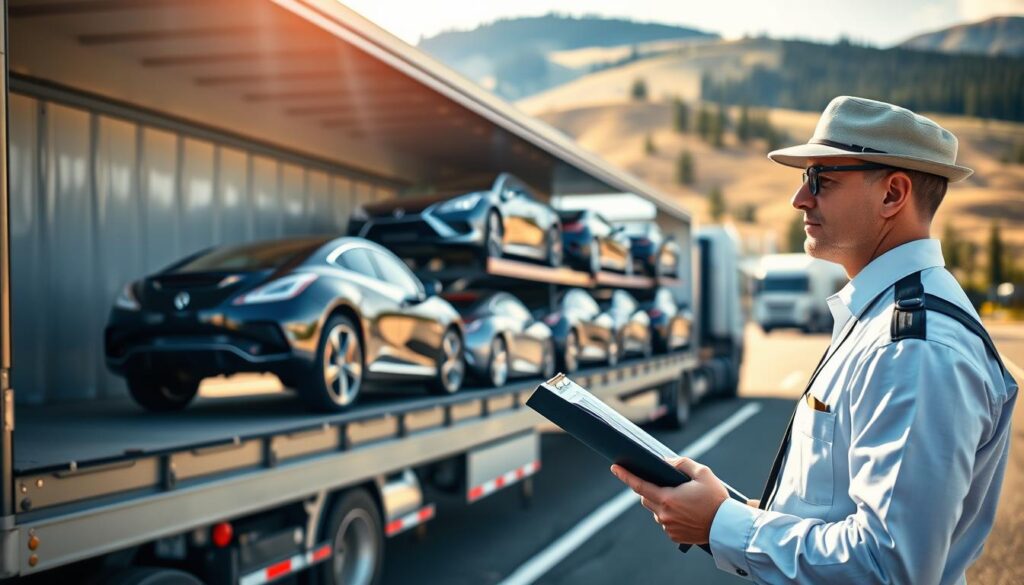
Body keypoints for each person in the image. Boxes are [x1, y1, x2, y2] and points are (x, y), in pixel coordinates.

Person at [610, 96, 1018, 584]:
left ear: (893, 194)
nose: (800, 199)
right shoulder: (883, 319)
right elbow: (837, 514)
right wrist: (731, 512)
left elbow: (887, 567)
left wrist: (721, 523)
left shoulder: (915, 349)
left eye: (821, 179)